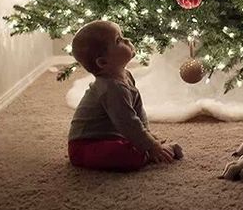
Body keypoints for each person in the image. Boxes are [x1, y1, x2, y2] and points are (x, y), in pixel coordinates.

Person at [67, 20, 183, 171]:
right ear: (103, 62)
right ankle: (151, 154)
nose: (127, 40)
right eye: (118, 40)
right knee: (128, 154)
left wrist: (148, 136)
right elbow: (127, 122)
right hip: (85, 147)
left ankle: (148, 148)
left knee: (136, 141)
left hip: (111, 136)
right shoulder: (111, 88)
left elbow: (137, 109)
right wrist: (152, 146)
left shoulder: (126, 75)